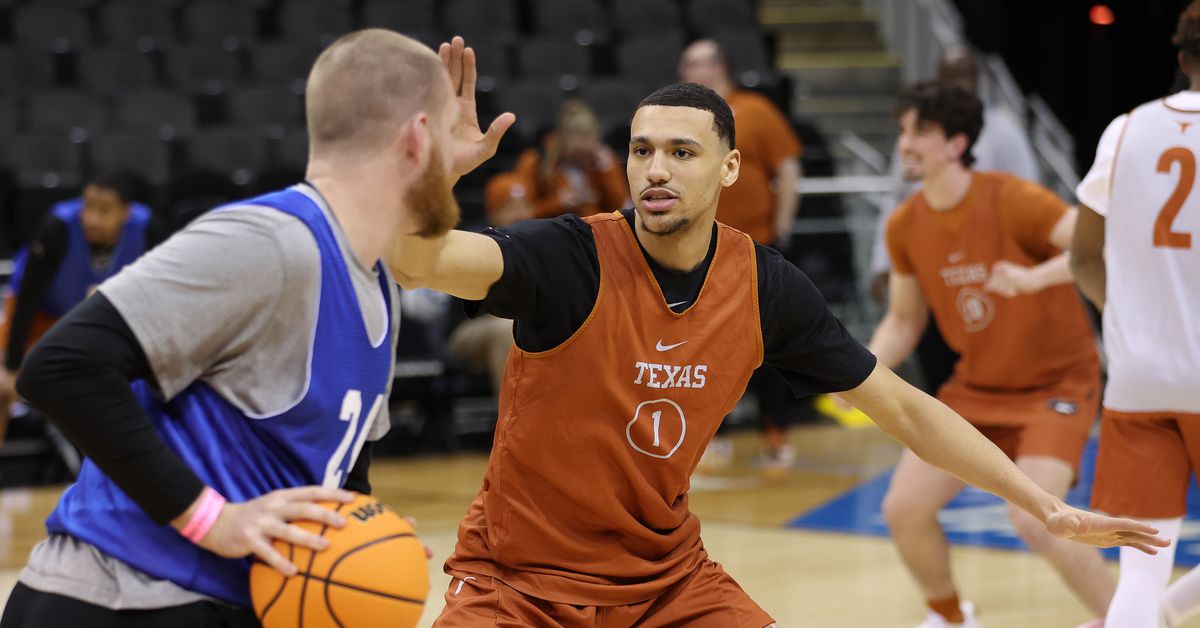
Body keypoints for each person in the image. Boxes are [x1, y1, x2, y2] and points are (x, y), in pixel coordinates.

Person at [387, 80, 1166, 628]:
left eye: (683, 153)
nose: (656, 169)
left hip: (664, 584)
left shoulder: (764, 286)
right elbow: (419, 262)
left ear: (729, 167)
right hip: (519, 584)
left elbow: (899, 405)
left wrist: (1046, 506)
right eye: (642, 150)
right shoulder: (567, 256)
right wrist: (437, 178)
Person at [0, 31, 512, 625]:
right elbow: (61, 367)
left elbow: (342, 471)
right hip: (118, 600)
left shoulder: (373, 278)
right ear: (418, 136)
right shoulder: (270, 241)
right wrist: (210, 518)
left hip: (227, 602)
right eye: (449, 130)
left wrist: (364, 544)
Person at [868, 81, 1112, 628]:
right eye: (903, 130)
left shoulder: (1011, 198)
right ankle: (951, 617)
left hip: (1058, 384)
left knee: (1037, 519)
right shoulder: (904, 224)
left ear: (956, 144)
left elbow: (1098, 242)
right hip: (977, 388)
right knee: (903, 510)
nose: (904, 143)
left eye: (919, 133)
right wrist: (857, 369)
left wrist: (1032, 278)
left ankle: (1127, 619)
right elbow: (905, 320)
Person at [1071, 2, 1200, 625]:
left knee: (1141, 571)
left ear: (1182, 59)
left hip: (1139, 377)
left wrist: (1125, 318)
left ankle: (1165, 609)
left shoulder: (1125, 131)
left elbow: (1083, 256)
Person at [868, 45, 1039, 396]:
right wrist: (882, 262)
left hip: (990, 271)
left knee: (992, 366)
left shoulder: (1002, 132)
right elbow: (895, 197)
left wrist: (1033, 271)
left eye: (964, 76)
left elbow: (1033, 196)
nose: (906, 144)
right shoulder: (918, 144)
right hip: (933, 265)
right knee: (935, 364)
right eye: (951, 77)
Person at [679, 39, 805, 466]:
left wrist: (783, 231)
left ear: (720, 68)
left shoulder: (754, 110)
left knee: (763, 342)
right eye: (688, 66)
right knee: (698, 346)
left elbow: (788, 169)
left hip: (755, 246)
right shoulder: (680, 120)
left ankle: (775, 434)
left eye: (702, 64)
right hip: (695, 251)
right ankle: (708, 437)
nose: (695, 72)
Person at [0, 172, 165, 443]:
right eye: (87, 206)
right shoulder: (58, 227)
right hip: (44, 316)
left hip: (105, 324)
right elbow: (27, 299)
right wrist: (12, 365)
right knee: (3, 387)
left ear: (125, 213)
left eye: (104, 210)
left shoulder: (149, 229)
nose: (92, 218)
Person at [485, 99, 629, 221]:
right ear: (562, 140)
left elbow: (620, 208)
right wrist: (559, 202)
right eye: (577, 153)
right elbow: (522, 214)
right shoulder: (536, 161)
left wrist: (607, 171)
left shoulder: (604, 162)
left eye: (587, 154)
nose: (583, 159)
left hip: (594, 237)